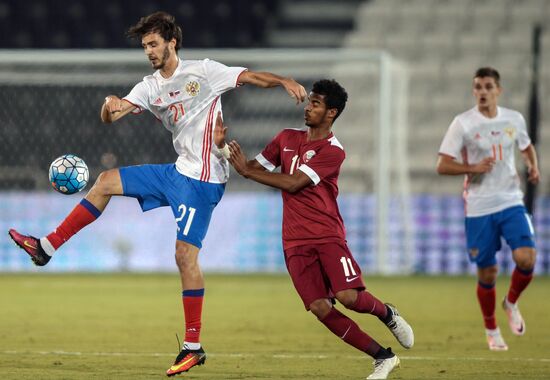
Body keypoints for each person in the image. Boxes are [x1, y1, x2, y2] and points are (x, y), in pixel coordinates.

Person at [8, 11, 307, 377]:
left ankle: (193, 347)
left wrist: (283, 81)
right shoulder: (149, 86)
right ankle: (47, 247)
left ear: (171, 42)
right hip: (177, 171)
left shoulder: (204, 71)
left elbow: (251, 76)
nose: (148, 51)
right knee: (105, 181)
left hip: (204, 179)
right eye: (144, 46)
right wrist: (110, 106)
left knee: (184, 257)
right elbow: (113, 117)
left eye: (153, 44)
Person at [214, 79, 414, 380]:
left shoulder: (333, 150)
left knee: (347, 297)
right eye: (309, 101)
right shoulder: (285, 138)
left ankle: (387, 314)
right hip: (294, 241)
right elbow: (252, 168)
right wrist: (221, 149)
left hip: (327, 235)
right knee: (320, 308)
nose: (307, 107)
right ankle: (383, 357)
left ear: (331, 112)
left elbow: (294, 183)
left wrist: (246, 171)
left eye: (315, 103)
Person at [437, 67, 539, 351]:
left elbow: (526, 146)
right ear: (474, 91)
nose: (482, 91)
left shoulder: (514, 119)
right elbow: (442, 165)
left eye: (488, 86)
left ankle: (512, 302)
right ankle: (491, 328)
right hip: (479, 206)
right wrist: (472, 167)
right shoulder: (463, 124)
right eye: (478, 87)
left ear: (498, 90)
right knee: (488, 274)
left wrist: (533, 165)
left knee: (527, 258)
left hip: (510, 200)